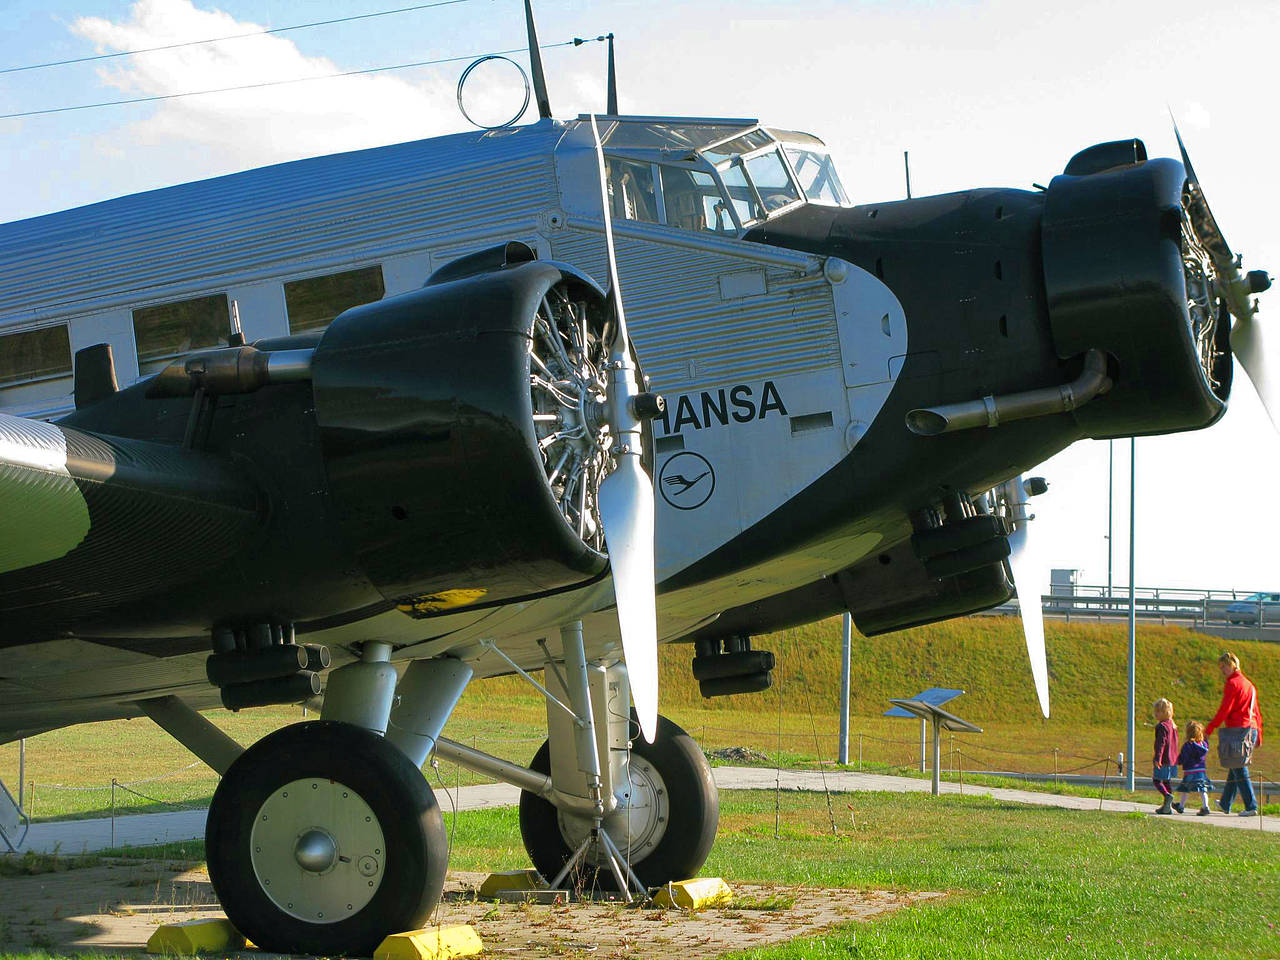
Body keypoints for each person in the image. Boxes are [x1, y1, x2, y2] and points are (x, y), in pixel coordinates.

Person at [1204, 651, 1265, 817]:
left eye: (1224, 666)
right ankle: (1226, 803)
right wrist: (1259, 732)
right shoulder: (1249, 685)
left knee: (1239, 767)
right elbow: (1256, 711)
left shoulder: (1233, 684)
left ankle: (1251, 805)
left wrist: (1210, 728)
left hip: (1238, 729)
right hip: (1250, 728)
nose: (1222, 670)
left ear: (1232, 665)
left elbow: (1225, 709)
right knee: (1235, 766)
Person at [1172, 720, 1213, 816]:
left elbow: (1183, 758)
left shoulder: (1187, 746)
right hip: (1201, 771)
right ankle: (1205, 806)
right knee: (1203, 789)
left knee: (1185, 789)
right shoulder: (1204, 745)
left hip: (1190, 771)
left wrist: (1177, 761)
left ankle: (1181, 806)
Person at [1151, 698, 1179, 815]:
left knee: (1157, 780)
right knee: (1167, 781)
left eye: (1158, 712)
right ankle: (1168, 805)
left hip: (1163, 759)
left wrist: (1158, 758)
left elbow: (1160, 744)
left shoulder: (1162, 726)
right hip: (1172, 759)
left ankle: (1167, 796)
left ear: (1165, 712)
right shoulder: (1173, 726)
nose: (1155, 714)